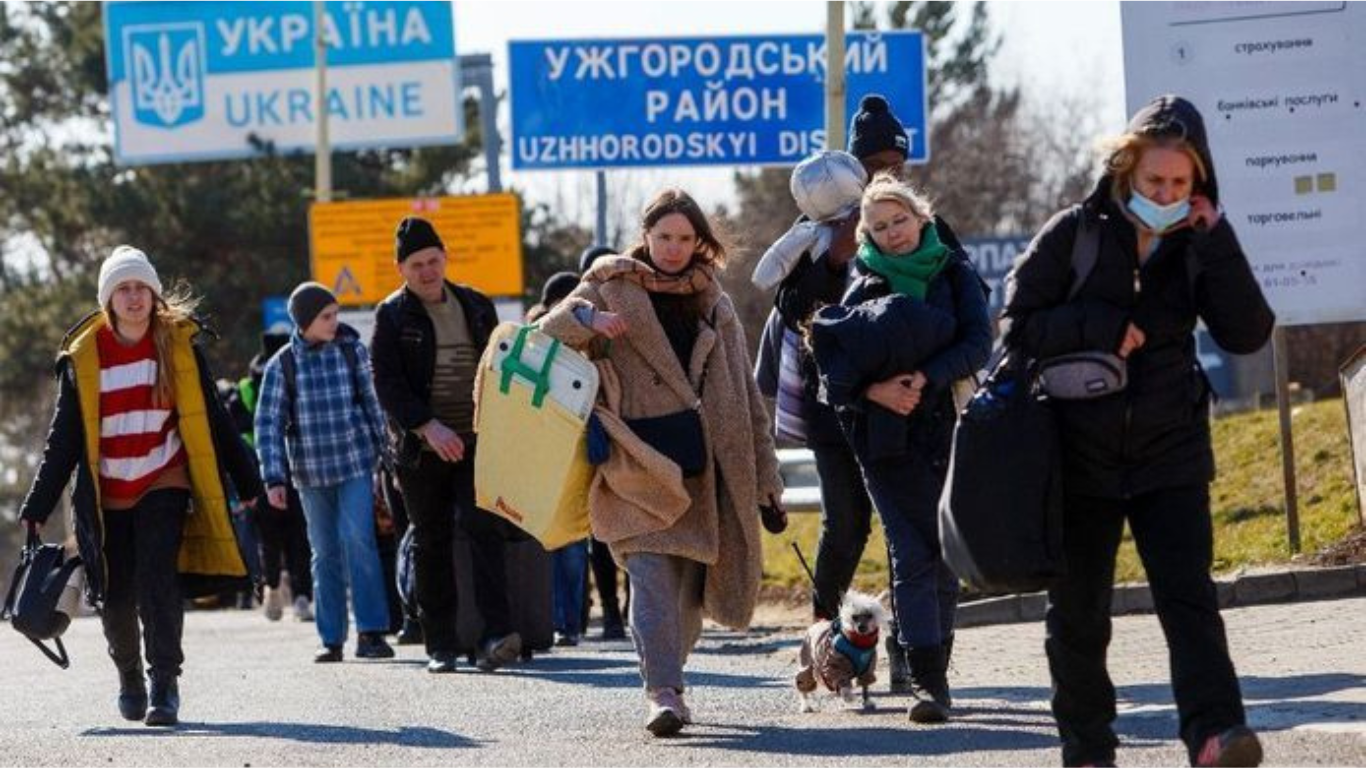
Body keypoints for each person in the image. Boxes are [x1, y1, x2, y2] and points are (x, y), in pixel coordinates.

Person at [1001, 94, 1274, 767]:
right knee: (1080, 615)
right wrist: (1094, 326)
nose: (1166, 192)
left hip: (1171, 451)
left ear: (1200, 183)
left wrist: (1218, 238)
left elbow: (1247, 333)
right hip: (1079, 455)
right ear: (1127, 170)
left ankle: (1214, 735)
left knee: (1190, 604)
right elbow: (1014, 325)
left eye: (1181, 183)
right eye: (1155, 180)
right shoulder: (1077, 232)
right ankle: (1088, 749)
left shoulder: (1199, 245)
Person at [538, 189, 786, 737]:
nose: (673, 249)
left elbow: (745, 394)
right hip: (634, 458)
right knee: (649, 577)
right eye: (663, 237)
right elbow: (543, 335)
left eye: (684, 238)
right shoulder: (609, 287)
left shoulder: (714, 301)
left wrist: (766, 477)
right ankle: (663, 694)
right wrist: (588, 320)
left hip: (704, 464)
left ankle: (670, 672)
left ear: (699, 242)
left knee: (685, 600)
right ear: (645, 236)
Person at [18, 246, 262, 727]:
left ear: (153, 294)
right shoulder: (84, 357)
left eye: (141, 288)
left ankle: (164, 683)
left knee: (158, 580)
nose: (134, 298)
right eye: (123, 290)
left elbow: (212, 418)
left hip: (162, 479)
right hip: (106, 491)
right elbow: (63, 441)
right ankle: (129, 675)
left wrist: (248, 479)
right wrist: (38, 504)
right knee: (117, 593)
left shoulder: (179, 345)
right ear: (109, 300)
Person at [813, 174, 991, 723]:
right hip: (884, 441)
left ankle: (937, 672)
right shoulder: (861, 281)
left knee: (944, 555)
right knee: (912, 552)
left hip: (948, 430)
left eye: (900, 220)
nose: (893, 234)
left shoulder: (953, 271)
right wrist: (877, 389)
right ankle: (926, 685)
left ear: (921, 217)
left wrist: (924, 377)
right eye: (880, 227)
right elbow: (833, 369)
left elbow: (977, 343)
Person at [753, 93, 916, 691]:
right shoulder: (818, 233)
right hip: (834, 406)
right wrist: (833, 263)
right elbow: (790, 306)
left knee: (906, 527)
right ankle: (822, 642)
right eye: (872, 167)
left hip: (902, 403)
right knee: (846, 524)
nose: (884, 178)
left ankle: (909, 653)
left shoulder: (914, 222)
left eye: (893, 166)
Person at [370, 217, 523, 674]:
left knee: (484, 528)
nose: (427, 271)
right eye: (416, 264)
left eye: (433, 260)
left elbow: (499, 368)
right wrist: (426, 427)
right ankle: (442, 644)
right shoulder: (392, 315)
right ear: (401, 269)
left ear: (445, 258)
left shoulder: (476, 305)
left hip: (476, 440)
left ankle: (498, 635)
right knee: (431, 540)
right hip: (422, 451)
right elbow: (387, 384)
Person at [254, 282, 395, 664]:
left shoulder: (352, 352)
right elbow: (267, 423)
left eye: (336, 314)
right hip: (309, 473)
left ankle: (371, 631)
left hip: (354, 464)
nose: (336, 322)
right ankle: (331, 638)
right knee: (324, 553)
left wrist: (388, 459)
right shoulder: (282, 364)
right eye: (326, 316)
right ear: (304, 322)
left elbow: (374, 407)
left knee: (358, 540)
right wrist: (273, 477)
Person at [229, 332, 315, 622]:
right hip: (296, 468)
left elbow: (235, 436)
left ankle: (273, 591)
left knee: (269, 540)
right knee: (299, 538)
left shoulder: (244, 388)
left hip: (260, 472)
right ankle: (302, 597)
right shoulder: (293, 372)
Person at [527, 270, 592, 648]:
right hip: (540, 455)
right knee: (547, 543)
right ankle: (551, 621)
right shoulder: (533, 339)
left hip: (576, 455)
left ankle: (571, 623)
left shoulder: (590, 342)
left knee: (572, 547)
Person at [578, 245, 631, 641]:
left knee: (634, 527)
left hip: (634, 434)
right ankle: (612, 611)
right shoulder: (579, 314)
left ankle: (630, 609)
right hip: (593, 435)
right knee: (600, 530)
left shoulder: (637, 311)